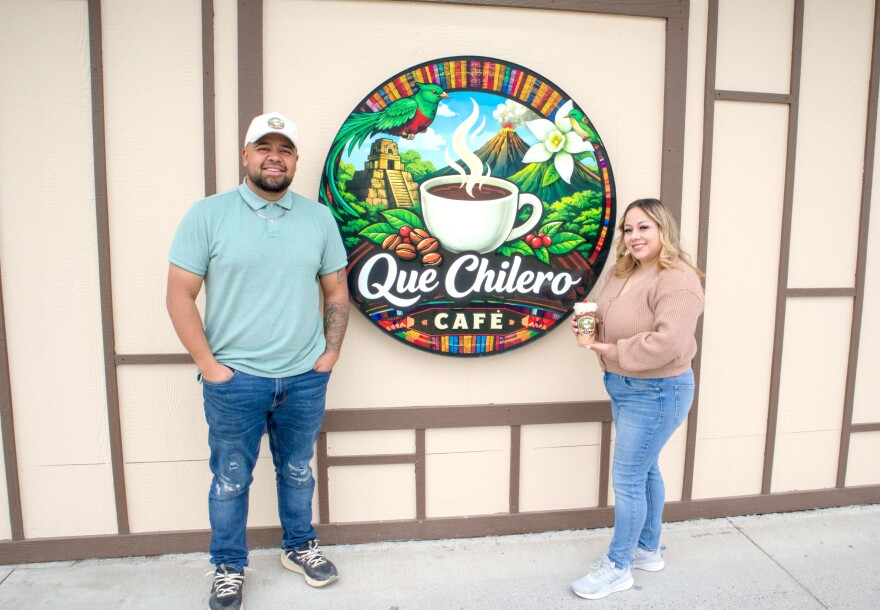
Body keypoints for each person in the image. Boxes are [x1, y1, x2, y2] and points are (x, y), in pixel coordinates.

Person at [166, 112, 349, 610]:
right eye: (264, 147)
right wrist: (209, 367)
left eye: (285, 149)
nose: (275, 156)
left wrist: (329, 354)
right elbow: (180, 296)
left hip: (304, 377)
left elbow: (335, 289)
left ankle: (299, 546)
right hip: (235, 379)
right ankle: (228, 565)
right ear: (245, 155)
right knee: (230, 478)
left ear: (295, 160)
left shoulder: (318, 218)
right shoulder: (207, 215)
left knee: (297, 470)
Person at [569, 198, 704, 600]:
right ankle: (647, 549)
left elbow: (668, 342)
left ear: (663, 230)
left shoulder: (678, 279)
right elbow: (614, 316)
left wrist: (612, 351)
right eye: (628, 229)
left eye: (644, 227)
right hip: (625, 386)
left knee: (628, 478)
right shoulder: (623, 270)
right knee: (644, 471)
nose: (634, 236)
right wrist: (589, 324)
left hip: (659, 390)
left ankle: (617, 566)